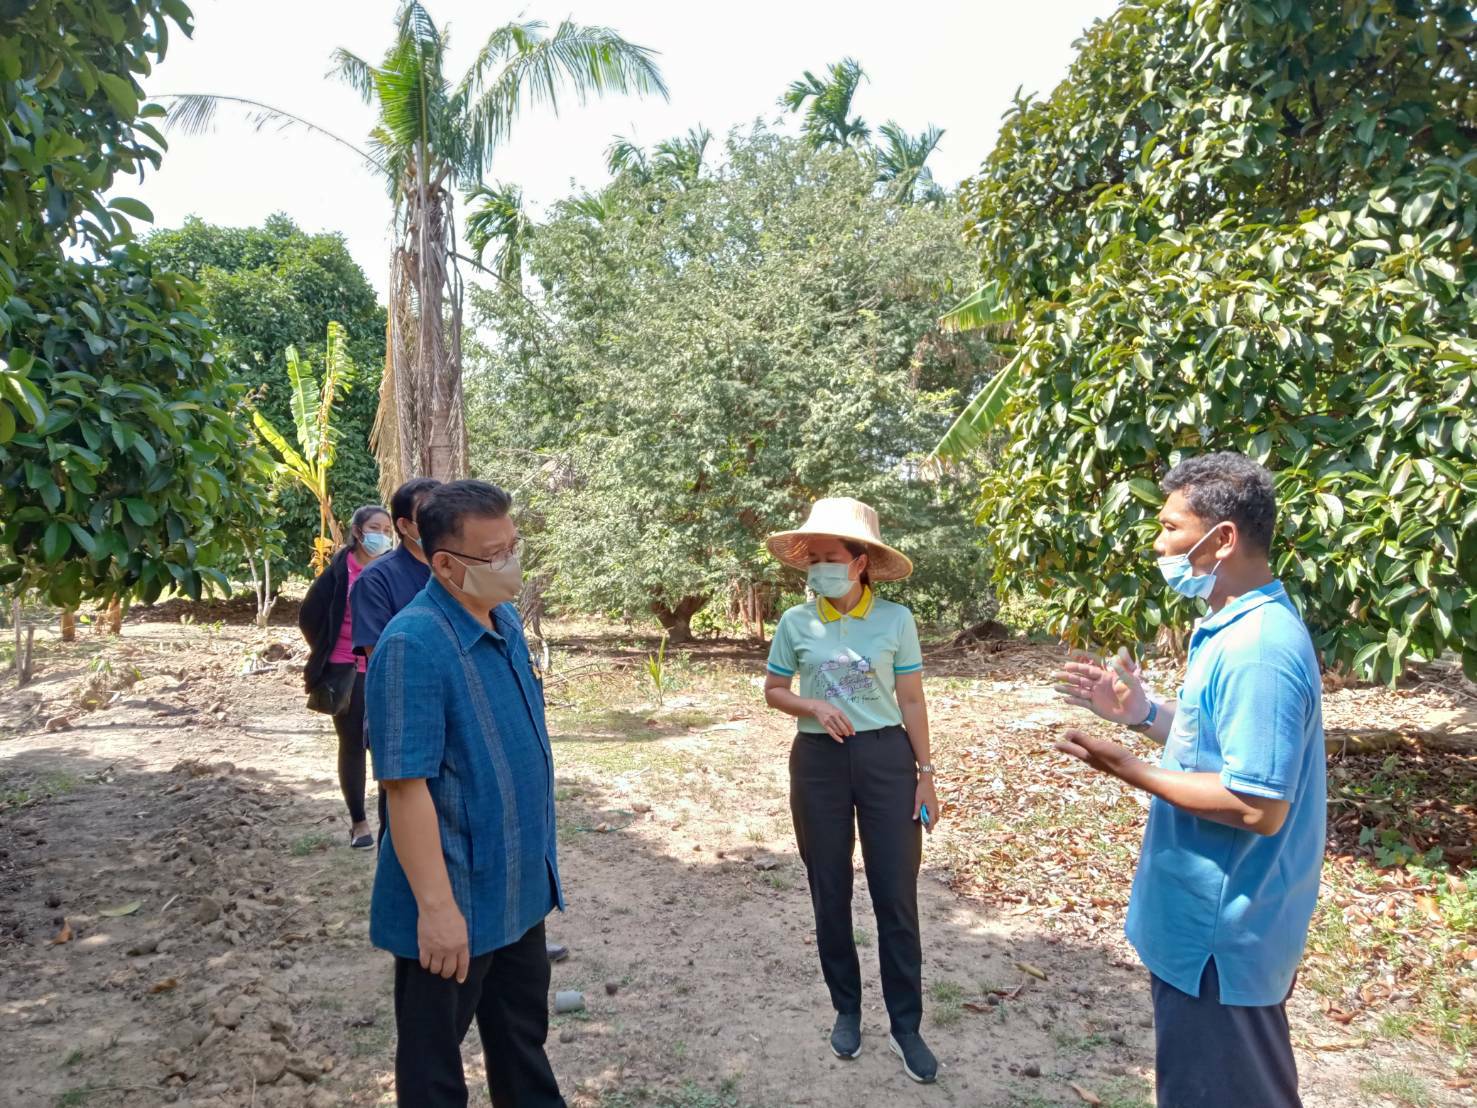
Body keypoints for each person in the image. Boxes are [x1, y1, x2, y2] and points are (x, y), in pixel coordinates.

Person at [1052, 452, 1325, 1108]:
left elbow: (1255, 804)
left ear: (1221, 538)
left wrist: (1123, 766)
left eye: (1171, 528)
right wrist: (1142, 714)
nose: (1158, 543)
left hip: (1219, 941)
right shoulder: (1231, 628)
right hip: (1203, 932)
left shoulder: (1258, 649)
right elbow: (1221, 745)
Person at [366, 479, 565, 1108]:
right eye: (494, 554)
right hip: (454, 897)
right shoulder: (411, 645)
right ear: (446, 564)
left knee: (521, 1041)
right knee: (433, 1068)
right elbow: (405, 789)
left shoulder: (503, 617)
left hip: (517, 884)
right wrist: (438, 910)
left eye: (513, 546)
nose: (511, 563)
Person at [761, 497, 942, 1084]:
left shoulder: (896, 620)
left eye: (831, 557)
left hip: (887, 758)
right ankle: (847, 1009)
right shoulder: (796, 621)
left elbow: (911, 699)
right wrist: (809, 702)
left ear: (861, 563)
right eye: (813, 558)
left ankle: (906, 1025)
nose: (819, 568)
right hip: (817, 761)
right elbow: (773, 688)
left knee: (896, 893)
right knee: (828, 890)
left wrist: (926, 773)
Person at [298, 504, 395, 847]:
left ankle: (391, 826)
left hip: (387, 669)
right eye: (374, 528)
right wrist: (328, 649)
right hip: (348, 672)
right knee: (352, 745)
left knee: (386, 747)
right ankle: (359, 824)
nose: (381, 535)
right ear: (357, 532)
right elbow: (309, 616)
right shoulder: (340, 571)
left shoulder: (393, 569)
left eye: (386, 529)